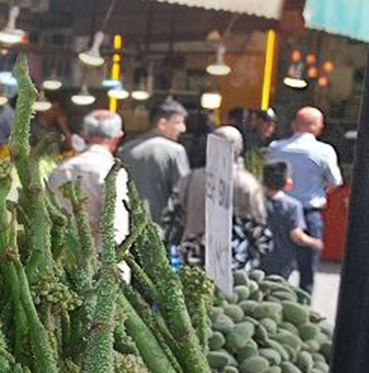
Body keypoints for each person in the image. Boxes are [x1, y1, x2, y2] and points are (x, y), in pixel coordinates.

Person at [167, 126, 269, 271]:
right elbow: (258, 226)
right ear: (238, 149)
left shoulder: (189, 179)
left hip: (192, 254)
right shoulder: (248, 184)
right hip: (233, 258)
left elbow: (171, 216)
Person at [265, 107, 341, 293]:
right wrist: (319, 191)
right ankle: (303, 308)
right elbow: (335, 182)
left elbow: (266, 176)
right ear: (317, 127)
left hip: (278, 210)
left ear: (294, 125)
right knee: (307, 270)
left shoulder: (276, 148)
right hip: (309, 213)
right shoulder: (324, 151)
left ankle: (271, 303)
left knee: (275, 266)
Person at [45, 109, 129, 240]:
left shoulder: (61, 169)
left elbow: (47, 216)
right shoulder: (111, 171)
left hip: (61, 254)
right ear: (118, 137)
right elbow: (116, 225)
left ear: (84, 135)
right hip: (98, 255)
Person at [119, 99, 189, 227]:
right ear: (162, 123)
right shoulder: (176, 151)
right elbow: (184, 193)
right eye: (178, 122)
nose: (183, 129)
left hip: (128, 226)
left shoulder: (125, 150)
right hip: (161, 228)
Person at [258, 162, 320, 282]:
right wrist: (314, 242)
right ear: (288, 183)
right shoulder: (292, 206)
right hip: (281, 259)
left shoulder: (256, 202)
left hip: (258, 256)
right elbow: (297, 236)